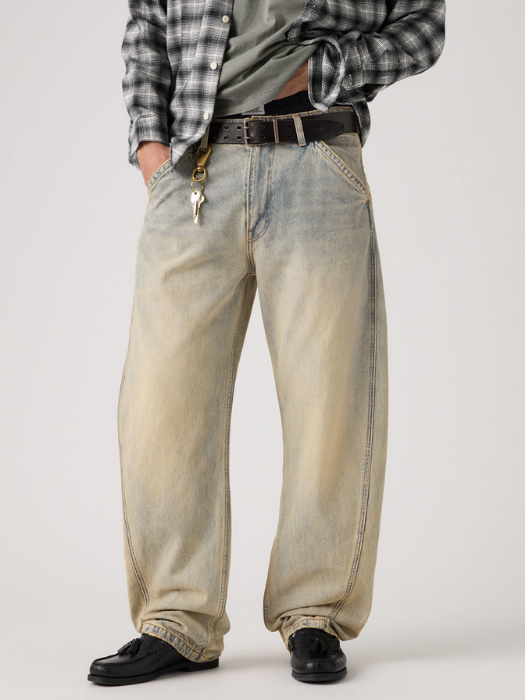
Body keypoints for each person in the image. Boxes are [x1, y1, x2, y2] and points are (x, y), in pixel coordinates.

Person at [87, 0, 446, 686]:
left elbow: (423, 24)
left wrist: (325, 68)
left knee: (328, 398)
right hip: (195, 168)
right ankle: (177, 619)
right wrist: (150, 148)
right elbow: (148, 28)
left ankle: (315, 611)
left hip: (315, 155)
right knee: (160, 403)